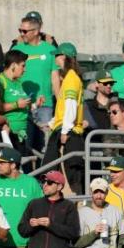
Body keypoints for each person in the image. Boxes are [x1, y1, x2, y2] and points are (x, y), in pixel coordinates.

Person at [18, 170, 80, 248]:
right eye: (43, 182)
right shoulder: (34, 204)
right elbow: (22, 230)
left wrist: (51, 225)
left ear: (59, 186)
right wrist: (31, 225)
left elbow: (74, 233)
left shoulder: (68, 206)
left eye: (50, 182)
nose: (45, 185)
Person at [0, 148, 42, 248]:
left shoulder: (30, 183)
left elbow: (40, 209)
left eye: (2, 162)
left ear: (13, 165)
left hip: (23, 244)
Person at [10, 12, 55, 152]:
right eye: (20, 30)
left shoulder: (50, 50)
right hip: (22, 106)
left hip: (45, 106)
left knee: (44, 148)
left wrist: (59, 102)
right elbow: (9, 77)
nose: (21, 34)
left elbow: (55, 78)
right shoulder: (16, 50)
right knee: (24, 146)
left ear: (36, 31)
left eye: (24, 31)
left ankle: (43, 174)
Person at [43, 43, 86, 191]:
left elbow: (71, 105)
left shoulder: (71, 78)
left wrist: (65, 130)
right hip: (65, 129)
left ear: (63, 57)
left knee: (70, 178)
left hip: (69, 134)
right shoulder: (70, 77)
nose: (55, 59)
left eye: (56, 55)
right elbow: (63, 107)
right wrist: (52, 123)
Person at [74, 178, 124, 248]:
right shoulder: (81, 213)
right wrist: (94, 233)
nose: (98, 196)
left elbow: (122, 238)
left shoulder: (115, 211)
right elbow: (76, 243)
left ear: (107, 193)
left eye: (102, 192)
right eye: (95, 192)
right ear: (91, 193)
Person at [0, 51, 33, 152]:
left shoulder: (18, 82)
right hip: (9, 133)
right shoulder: (1, 80)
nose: (25, 70)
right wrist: (17, 104)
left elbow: (23, 105)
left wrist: (34, 104)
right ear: (13, 65)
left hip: (21, 133)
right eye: (23, 66)